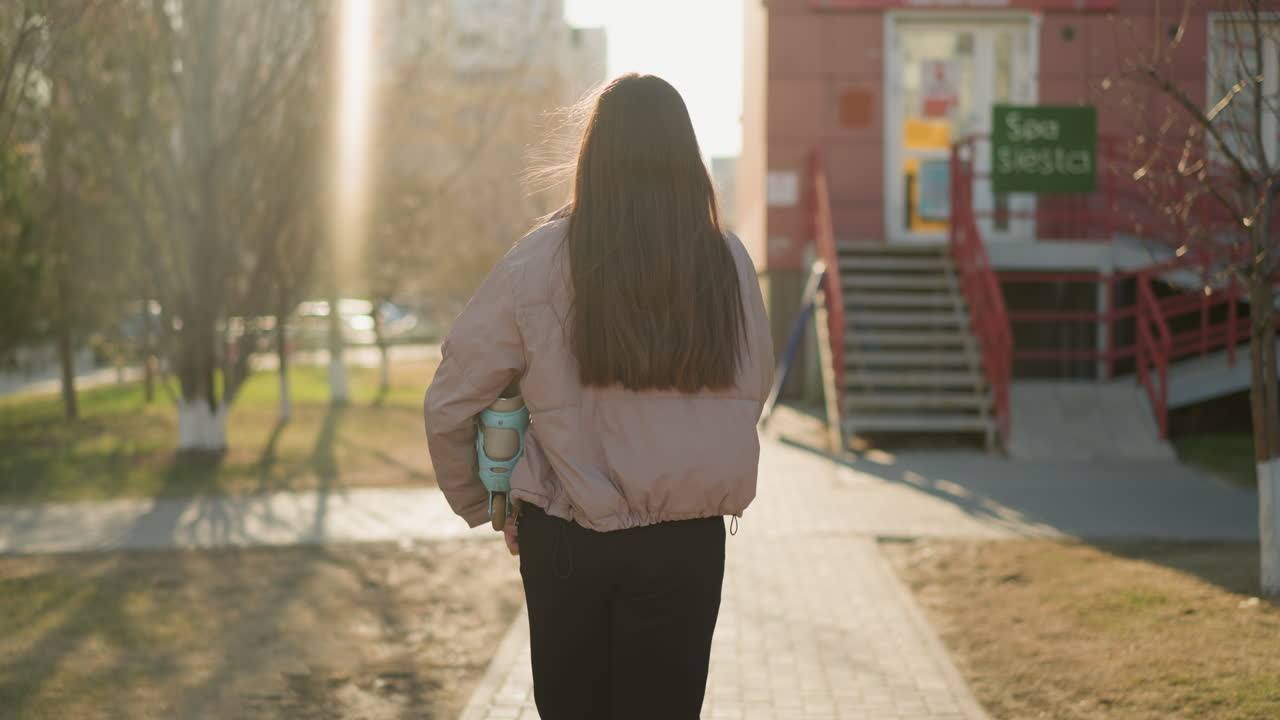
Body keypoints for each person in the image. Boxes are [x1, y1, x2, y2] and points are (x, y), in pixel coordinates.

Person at [423, 73, 774, 720]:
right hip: (686, 545)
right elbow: (753, 389)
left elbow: (450, 400)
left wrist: (489, 504)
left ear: (593, 153)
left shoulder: (538, 260)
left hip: (566, 540)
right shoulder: (725, 262)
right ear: (685, 156)